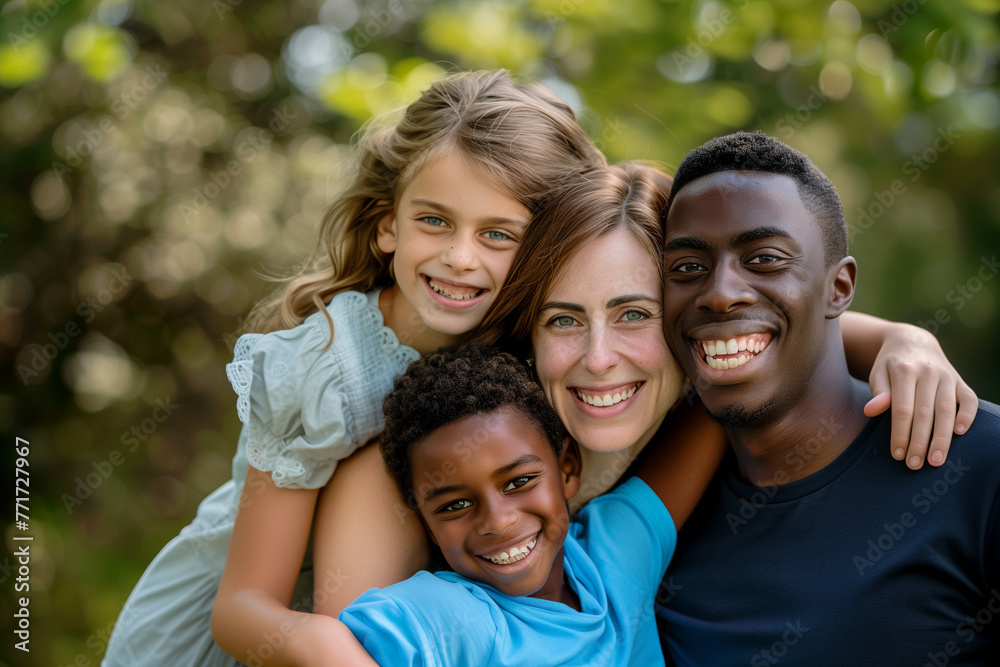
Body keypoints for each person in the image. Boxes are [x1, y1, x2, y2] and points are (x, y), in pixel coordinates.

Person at [308, 158, 979, 626]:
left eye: (634, 314)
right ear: (527, 332)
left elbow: (776, 330)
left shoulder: (714, 421)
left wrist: (899, 339)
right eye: (563, 320)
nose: (599, 360)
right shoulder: (435, 461)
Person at [102, 69, 606, 667]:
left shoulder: (535, 344)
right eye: (434, 221)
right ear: (388, 224)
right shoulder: (324, 370)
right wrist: (330, 646)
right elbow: (241, 608)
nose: (460, 256)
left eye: (498, 234)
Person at [655, 131, 1000, 664]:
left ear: (838, 288)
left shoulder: (980, 465)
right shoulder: (665, 514)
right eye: (686, 268)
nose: (720, 293)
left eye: (764, 258)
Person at [329, 343, 724, 666]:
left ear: (568, 469)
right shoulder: (455, 618)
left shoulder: (616, 554)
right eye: (455, 505)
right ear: (427, 524)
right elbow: (321, 640)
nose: (498, 521)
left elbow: (719, 396)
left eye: (518, 482)